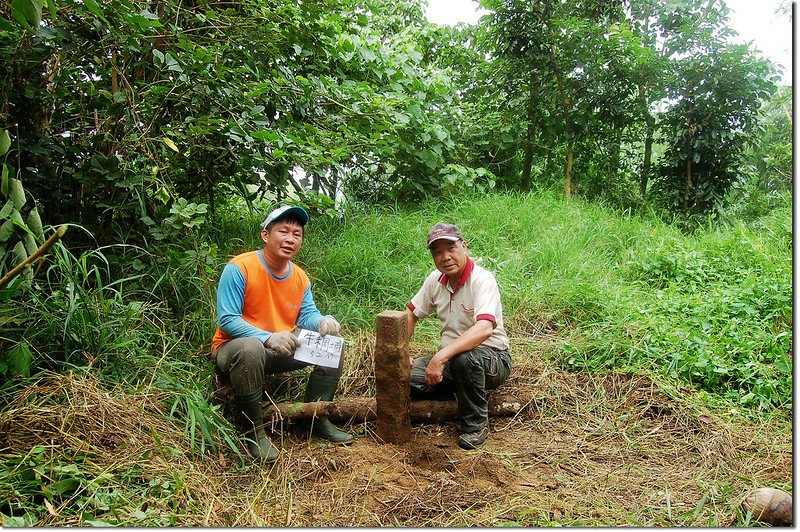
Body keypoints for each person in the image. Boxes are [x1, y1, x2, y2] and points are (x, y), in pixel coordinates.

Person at [211, 205, 353, 462]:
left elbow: (306, 314)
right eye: (283, 231)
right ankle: (253, 432)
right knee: (250, 348)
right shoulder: (240, 267)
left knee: (334, 344)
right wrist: (267, 337)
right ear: (266, 235)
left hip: (280, 349)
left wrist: (322, 321)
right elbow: (228, 319)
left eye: (297, 234)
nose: (290, 239)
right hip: (235, 350)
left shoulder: (299, 276)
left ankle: (315, 418)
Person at [406, 222, 512, 450]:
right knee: (408, 378)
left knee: (467, 359)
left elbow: (484, 328)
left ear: (464, 247)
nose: (445, 257)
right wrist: (401, 351)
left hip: (492, 359)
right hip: (452, 360)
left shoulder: (482, 279)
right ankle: (459, 393)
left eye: (451, 248)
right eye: (437, 251)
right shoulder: (435, 280)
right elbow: (410, 313)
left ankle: (475, 425)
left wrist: (440, 357)